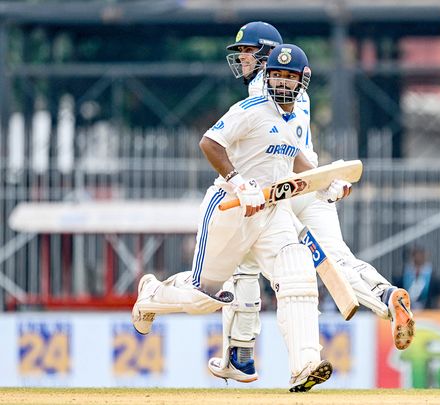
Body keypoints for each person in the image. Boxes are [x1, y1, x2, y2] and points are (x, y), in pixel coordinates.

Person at [132, 43, 352, 391]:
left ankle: (305, 364)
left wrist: (324, 183)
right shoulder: (250, 109)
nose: (281, 83)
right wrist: (237, 182)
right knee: (203, 298)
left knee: (297, 271)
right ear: (266, 78)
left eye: (288, 77)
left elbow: (296, 159)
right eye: (275, 76)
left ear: (302, 81)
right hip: (230, 209)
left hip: (271, 212)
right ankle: (152, 295)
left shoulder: (297, 118)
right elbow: (209, 142)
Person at [207, 21, 416, 385]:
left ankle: (241, 354)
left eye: (245, 51)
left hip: (276, 192)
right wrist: (325, 182)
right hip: (312, 182)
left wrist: (239, 182)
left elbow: (233, 143)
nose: (240, 59)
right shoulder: (297, 88)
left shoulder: (263, 88)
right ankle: (386, 295)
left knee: (248, 265)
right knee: (337, 259)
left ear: (265, 52)